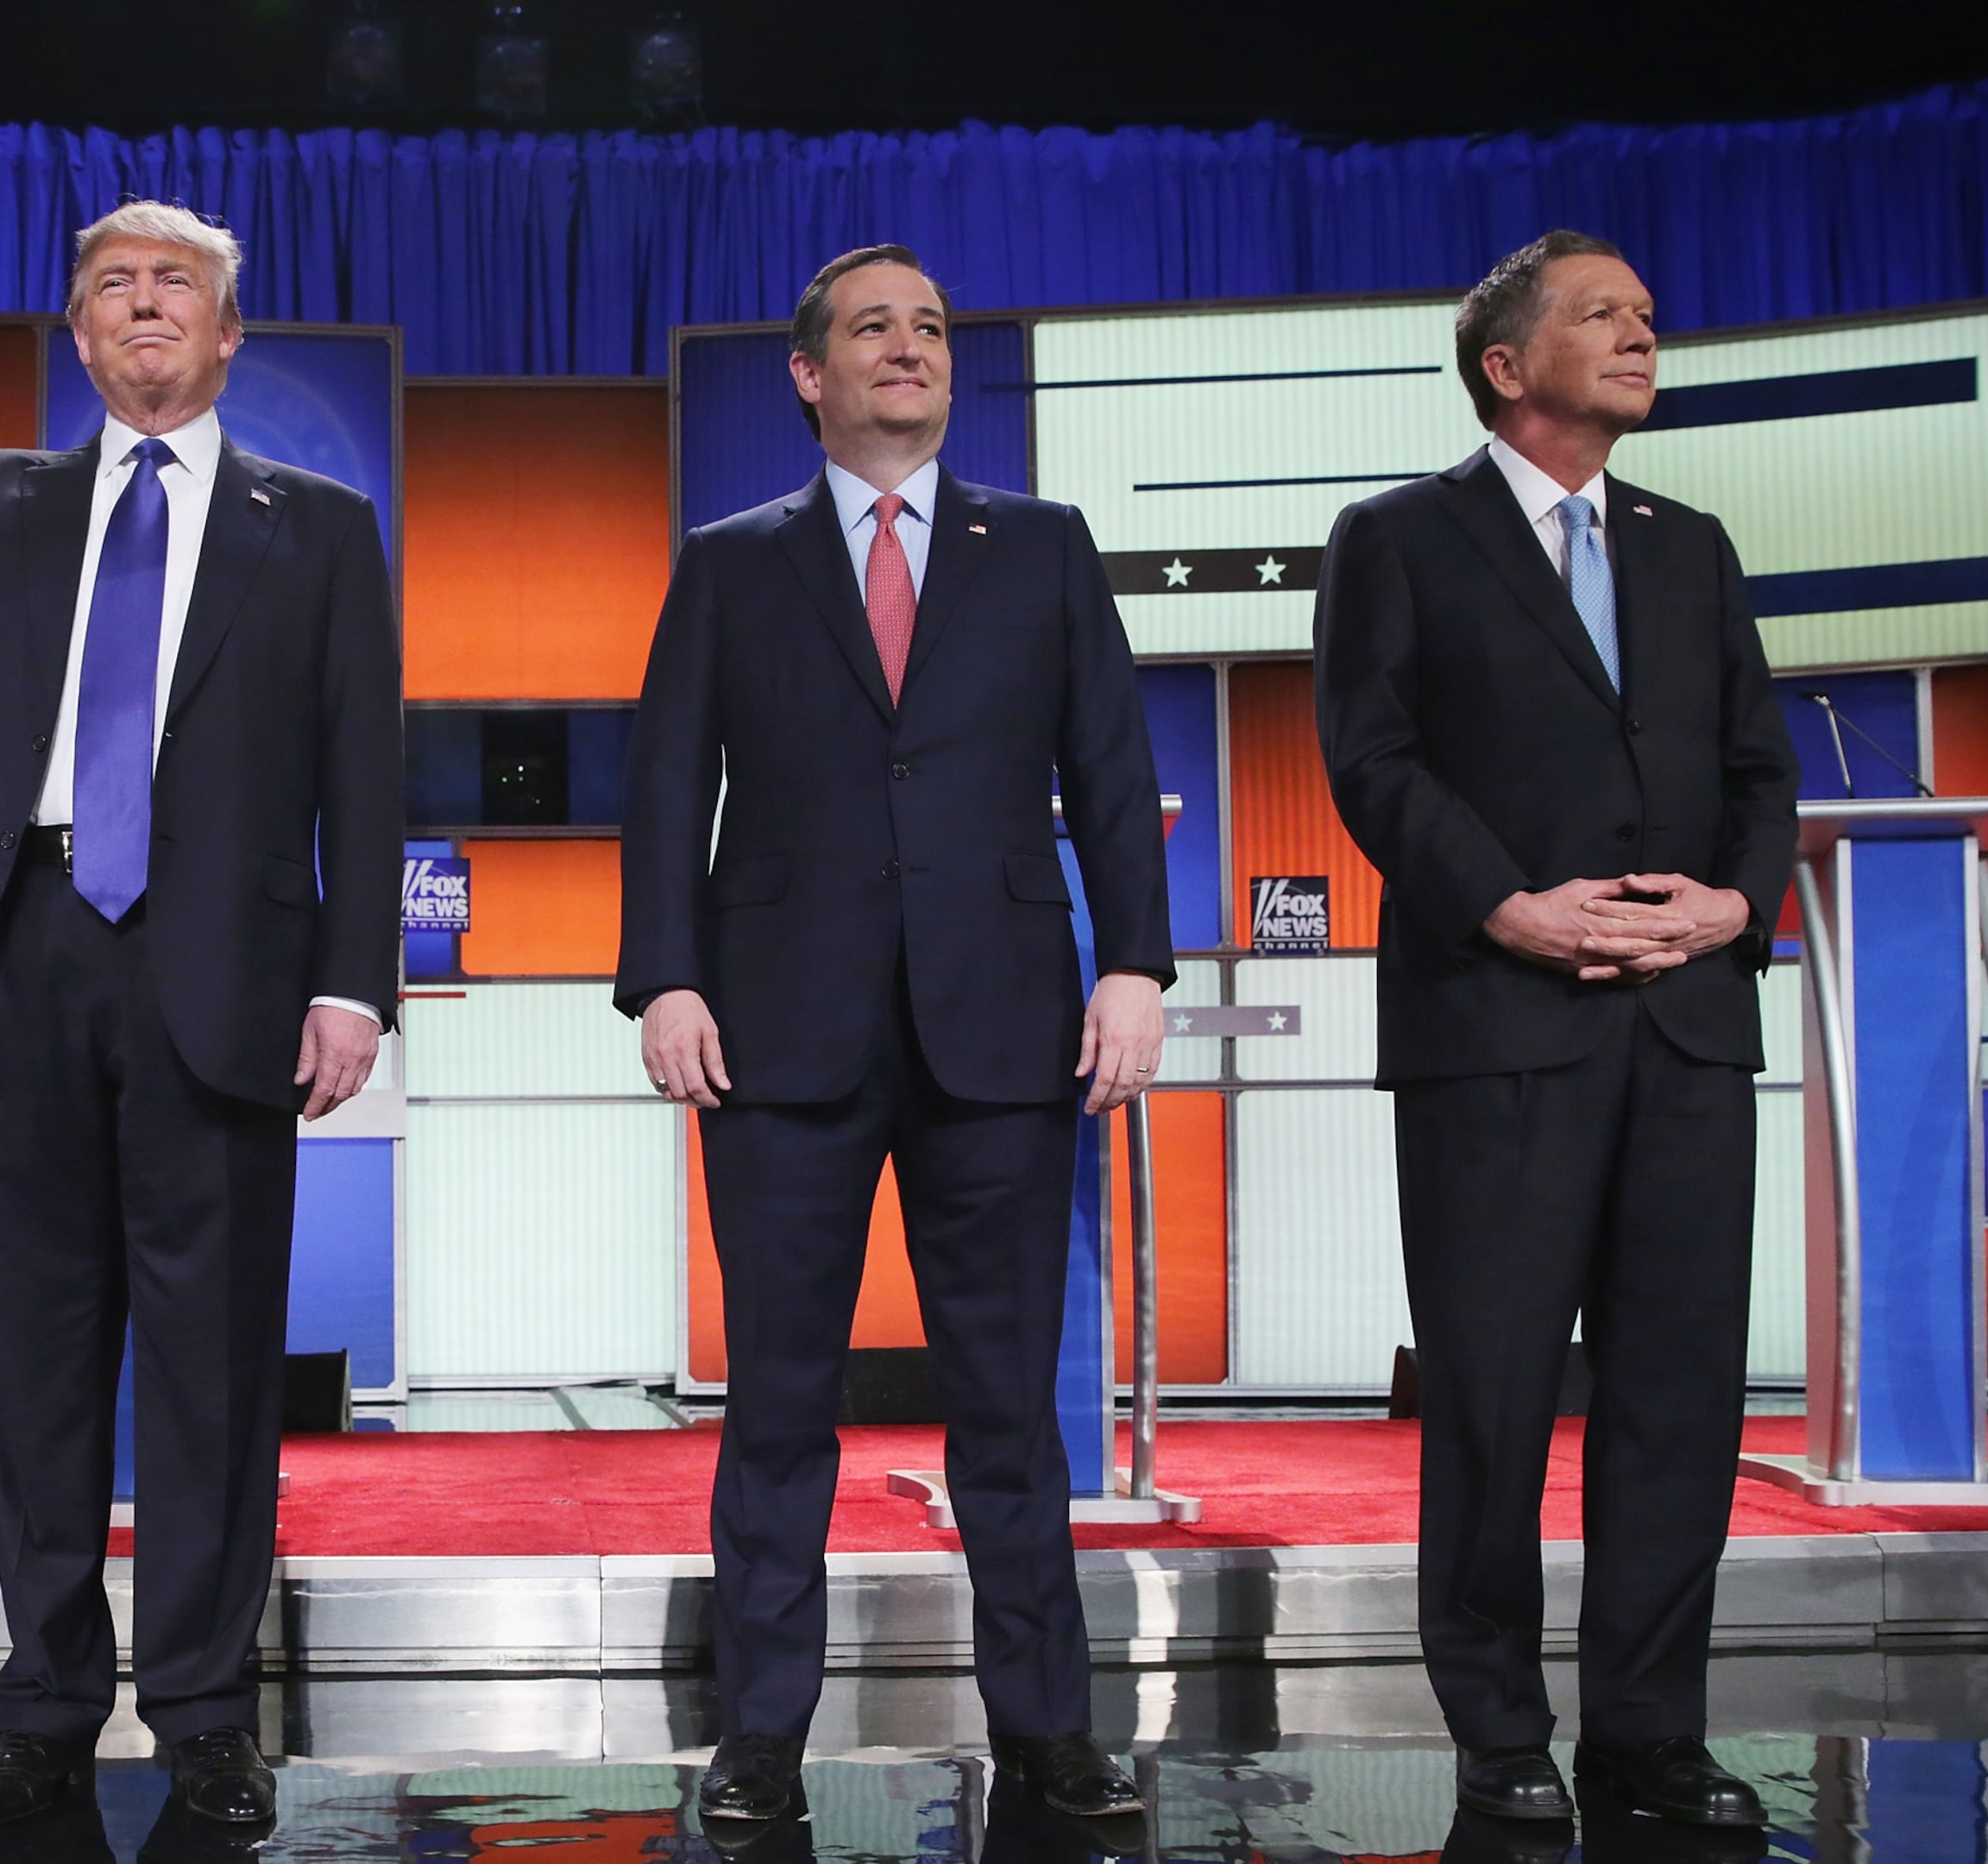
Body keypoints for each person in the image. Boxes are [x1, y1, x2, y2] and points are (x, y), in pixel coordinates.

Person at [0, 148, 400, 1830]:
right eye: (115, 281)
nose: (145, 301)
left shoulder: (321, 529)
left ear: (229, 332)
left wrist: (359, 988)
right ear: (75, 327)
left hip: (227, 971)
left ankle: (205, 1712)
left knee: (212, 1366)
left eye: (176, 282)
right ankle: (47, 1706)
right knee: (40, 1358)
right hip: (25, 950)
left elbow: (363, 760)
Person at [616, 244, 1174, 1825]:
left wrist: (1135, 963)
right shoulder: (732, 561)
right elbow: (669, 784)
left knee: (1009, 1405)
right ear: (809, 374)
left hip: (1004, 1035)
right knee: (778, 1405)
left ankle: (1051, 1731)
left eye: (930, 329)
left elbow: (1113, 773)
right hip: (777, 1036)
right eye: (874, 329)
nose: (910, 350)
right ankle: (762, 1738)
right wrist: (664, 977)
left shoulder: (1045, 549)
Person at [1313, 230, 1799, 1829]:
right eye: (1603, 315)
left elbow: (1757, 771)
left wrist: (1734, 907)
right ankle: (1501, 1728)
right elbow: (1374, 761)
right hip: (1496, 1026)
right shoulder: (1397, 538)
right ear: (1507, 364)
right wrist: (1503, 906)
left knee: (1680, 1398)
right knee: (1495, 1391)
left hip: (1687, 1032)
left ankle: (1652, 1732)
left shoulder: (1691, 543)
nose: (1643, 332)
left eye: (1649, 313)